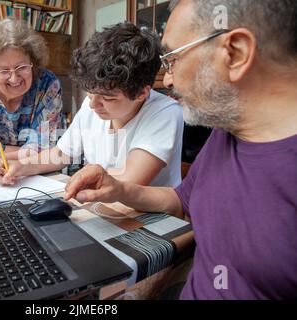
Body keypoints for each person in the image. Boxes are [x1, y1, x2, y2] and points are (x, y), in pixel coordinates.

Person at [64, 0, 297, 300]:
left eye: (172, 60)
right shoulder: (225, 133)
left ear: (235, 53)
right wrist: (119, 188)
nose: (169, 80)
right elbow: (180, 201)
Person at [0, 22, 183, 188]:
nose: (93, 104)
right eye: (90, 93)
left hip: (150, 218)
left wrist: (74, 181)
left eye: (107, 98)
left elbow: (129, 180)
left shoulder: (166, 113)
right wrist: (22, 167)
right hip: (102, 209)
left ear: (142, 93)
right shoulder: (93, 103)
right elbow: (61, 154)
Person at [0, 18, 65, 177]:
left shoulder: (48, 84)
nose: (14, 78)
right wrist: (28, 151)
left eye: (22, 67)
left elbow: (47, 148)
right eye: (4, 70)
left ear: (33, 62)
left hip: (38, 174)